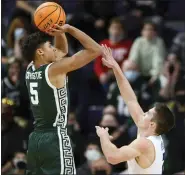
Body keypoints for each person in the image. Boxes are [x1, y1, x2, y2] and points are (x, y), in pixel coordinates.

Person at [22, 24, 101, 175]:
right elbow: (96, 50)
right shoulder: (54, 70)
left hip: (35, 139)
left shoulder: (30, 68)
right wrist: (70, 29)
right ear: (40, 52)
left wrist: (59, 33)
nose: (53, 48)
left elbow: (61, 51)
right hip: (55, 137)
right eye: (49, 46)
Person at [96, 45, 175, 174]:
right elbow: (130, 99)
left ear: (152, 124)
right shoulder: (148, 131)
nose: (143, 113)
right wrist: (116, 67)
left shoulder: (144, 143)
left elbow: (113, 157)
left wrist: (103, 137)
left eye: (148, 113)